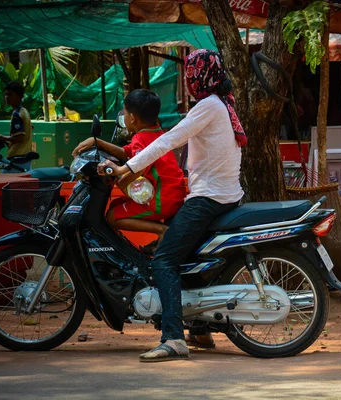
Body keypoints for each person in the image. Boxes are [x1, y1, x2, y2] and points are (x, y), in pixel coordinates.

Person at [98, 49, 246, 362]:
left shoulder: (208, 106)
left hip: (208, 198)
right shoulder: (222, 103)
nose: (189, 80)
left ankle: (174, 338)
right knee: (185, 256)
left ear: (199, 77)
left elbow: (168, 140)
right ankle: (201, 329)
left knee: (163, 260)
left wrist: (127, 169)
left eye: (191, 75)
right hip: (224, 194)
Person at [73, 90, 185, 248]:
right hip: (171, 195)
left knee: (112, 216)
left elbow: (140, 165)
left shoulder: (140, 138)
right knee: (115, 205)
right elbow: (126, 151)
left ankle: (161, 231)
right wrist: (97, 142)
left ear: (132, 118)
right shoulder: (156, 133)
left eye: (124, 112)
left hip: (161, 200)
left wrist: (121, 179)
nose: (123, 116)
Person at [0, 82, 33, 172]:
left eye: (10, 95)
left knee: (4, 183)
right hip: (25, 157)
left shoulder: (17, 114)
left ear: (19, 97)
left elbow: (20, 137)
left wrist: (1, 137)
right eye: (6, 94)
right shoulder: (24, 111)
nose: (6, 97)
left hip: (17, 159)